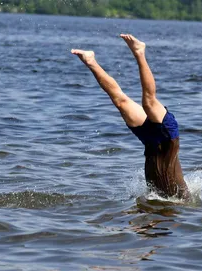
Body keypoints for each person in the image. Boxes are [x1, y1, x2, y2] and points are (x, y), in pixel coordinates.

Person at [72, 34, 190, 199]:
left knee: (120, 102)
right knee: (148, 102)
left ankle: (91, 61)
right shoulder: (181, 199)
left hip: (149, 141)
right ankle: (139, 52)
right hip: (167, 137)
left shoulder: (163, 198)